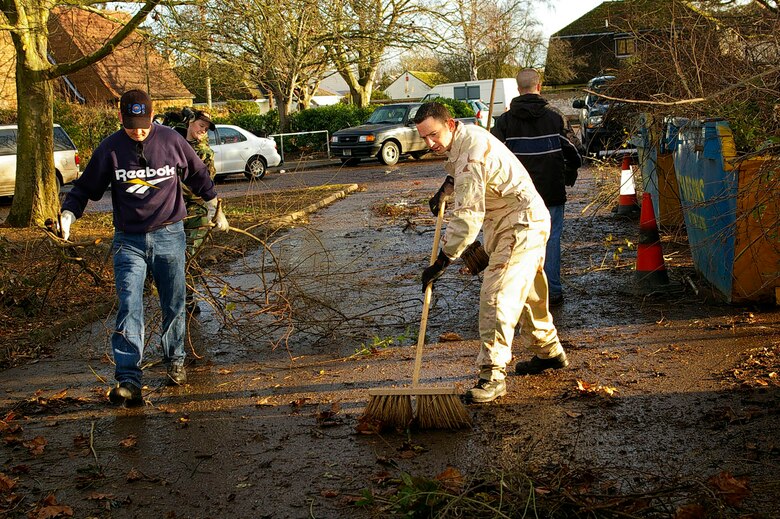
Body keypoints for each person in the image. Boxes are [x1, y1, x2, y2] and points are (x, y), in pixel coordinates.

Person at [59, 89, 229, 406]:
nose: (138, 130)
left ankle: (175, 360)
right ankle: (128, 380)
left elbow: (197, 173)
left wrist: (213, 204)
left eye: (143, 123)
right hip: (129, 240)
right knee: (129, 306)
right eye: (130, 124)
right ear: (121, 118)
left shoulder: (171, 141)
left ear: (152, 116)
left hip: (169, 234)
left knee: (174, 303)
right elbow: (86, 188)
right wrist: (69, 212)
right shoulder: (110, 148)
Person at [416, 102, 569, 404]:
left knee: (497, 295)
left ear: (449, 124)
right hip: (507, 222)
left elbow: (469, 213)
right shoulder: (464, 139)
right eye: (423, 138)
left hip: (521, 223)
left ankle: (492, 374)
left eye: (433, 135)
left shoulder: (472, 150)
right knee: (527, 294)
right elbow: (460, 175)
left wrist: (444, 259)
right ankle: (549, 352)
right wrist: (444, 190)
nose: (430, 143)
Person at [491, 68, 583, 307]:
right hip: (550, 193)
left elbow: (489, 158)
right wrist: (570, 171)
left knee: (516, 243)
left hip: (514, 197)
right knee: (550, 241)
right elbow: (575, 152)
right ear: (539, 86)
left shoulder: (504, 122)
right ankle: (552, 292)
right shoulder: (555, 118)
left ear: (518, 89)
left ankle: (520, 294)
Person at [165, 108, 218, 315]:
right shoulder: (174, 141)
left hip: (196, 212)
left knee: (188, 255)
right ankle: (176, 297)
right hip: (173, 211)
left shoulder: (203, 152)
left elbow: (200, 185)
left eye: (206, 129)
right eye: (200, 125)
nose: (203, 131)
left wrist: (170, 183)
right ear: (190, 122)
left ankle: (187, 300)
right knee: (172, 254)